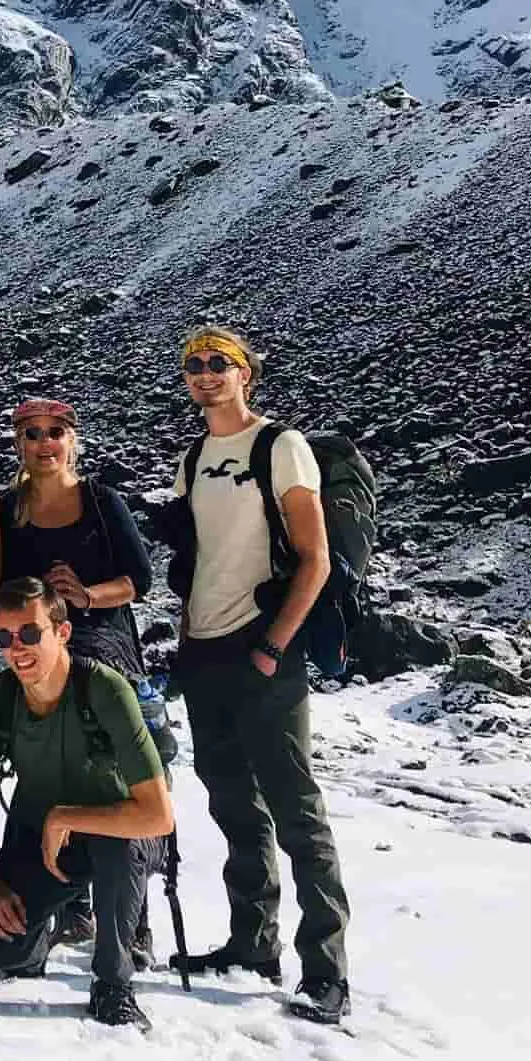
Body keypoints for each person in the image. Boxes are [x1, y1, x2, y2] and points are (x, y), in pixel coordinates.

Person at [170, 325, 353, 1025]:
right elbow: (196, 554)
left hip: (261, 645)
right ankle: (252, 941)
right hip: (206, 648)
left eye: (221, 364)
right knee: (232, 803)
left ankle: (327, 970)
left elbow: (315, 558)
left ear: (246, 373)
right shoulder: (195, 455)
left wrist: (275, 644)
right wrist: (187, 636)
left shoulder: (281, 447)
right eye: (195, 365)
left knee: (295, 807)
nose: (207, 375)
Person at [0, 576, 174, 1031]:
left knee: (119, 848)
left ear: (62, 633)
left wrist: (66, 817)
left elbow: (158, 815)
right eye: (4, 637)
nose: (17, 648)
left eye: (30, 633)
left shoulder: (106, 691)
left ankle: (114, 986)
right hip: (47, 845)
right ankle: (34, 945)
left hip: (121, 833)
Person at [0, 396, 163, 955]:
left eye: (54, 433)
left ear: (72, 440)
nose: (44, 444)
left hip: (102, 640)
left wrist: (86, 597)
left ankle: (130, 913)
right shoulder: (8, 508)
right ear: (19, 443)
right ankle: (68, 900)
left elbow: (139, 579)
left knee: (112, 768)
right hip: (37, 648)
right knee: (49, 763)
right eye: (31, 434)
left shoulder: (101, 501)